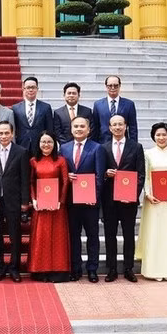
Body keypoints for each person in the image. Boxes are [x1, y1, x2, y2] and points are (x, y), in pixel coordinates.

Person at [136, 122, 167, 281]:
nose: (161, 137)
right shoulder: (147, 153)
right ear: (153, 137)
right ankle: (153, 270)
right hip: (154, 201)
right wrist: (148, 194)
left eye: (164, 134)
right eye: (158, 135)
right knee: (154, 234)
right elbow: (146, 176)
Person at [101, 114, 145, 283]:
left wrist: (133, 195)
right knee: (109, 235)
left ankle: (128, 268)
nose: (117, 127)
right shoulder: (103, 148)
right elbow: (99, 173)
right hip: (109, 200)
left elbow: (141, 174)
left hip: (129, 201)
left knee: (128, 235)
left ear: (126, 126)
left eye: (120, 124)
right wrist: (106, 174)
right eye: (114, 125)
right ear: (110, 127)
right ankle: (111, 269)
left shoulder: (136, 147)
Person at [61, 116, 104, 282]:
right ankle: (75, 268)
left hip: (90, 202)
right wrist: (66, 176)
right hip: (71, 202)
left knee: (93, 236)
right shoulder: (64, 149)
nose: (79, 129)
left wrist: (94, 197)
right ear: (71, 129)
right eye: (76, 126)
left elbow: (100, 176)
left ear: (88, 129)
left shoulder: (97, 148)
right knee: (74, 236)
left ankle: (92, 269)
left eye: (82, 126)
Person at [0, 120, 30, 282]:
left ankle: (14, 268)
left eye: (7, 133)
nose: (4, 136)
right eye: (1, 133)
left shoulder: (21, 152)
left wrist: (25, 201)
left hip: (14, 200)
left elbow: (25, 178)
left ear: (12, 134)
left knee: (15, 236)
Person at [28, 130, 70, 282]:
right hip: (41, 206)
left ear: (54, 144)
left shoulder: (61, 161)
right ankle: (40, 270)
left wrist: (61, 201)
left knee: (57, 238)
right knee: (42, 237)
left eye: (49, 142)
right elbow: (31, 182)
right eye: (43, 142)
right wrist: (33, 199)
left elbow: (65, 182)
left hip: (57, 207)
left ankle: (57, 271)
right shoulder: (33, 161)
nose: (46, 145)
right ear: (39, 144)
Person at [12, 76, 54, 154]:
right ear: (23, 89)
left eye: (33, 87)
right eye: (28, 87)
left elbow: (49, 128)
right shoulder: (15, 108)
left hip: (40, 146)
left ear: (37, 89)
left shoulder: (46, 107)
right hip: (21, 145)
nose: (30, 90)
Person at [91, 75, 138, 144]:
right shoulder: (98, 104)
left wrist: (134, 145)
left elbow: (133, 127)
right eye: (110, 85)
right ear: (106, 87)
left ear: (119, 86)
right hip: (103, 143)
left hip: (122, 143)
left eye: (116, 85)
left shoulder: (129, 104)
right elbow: (95, 127)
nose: (113, 88)